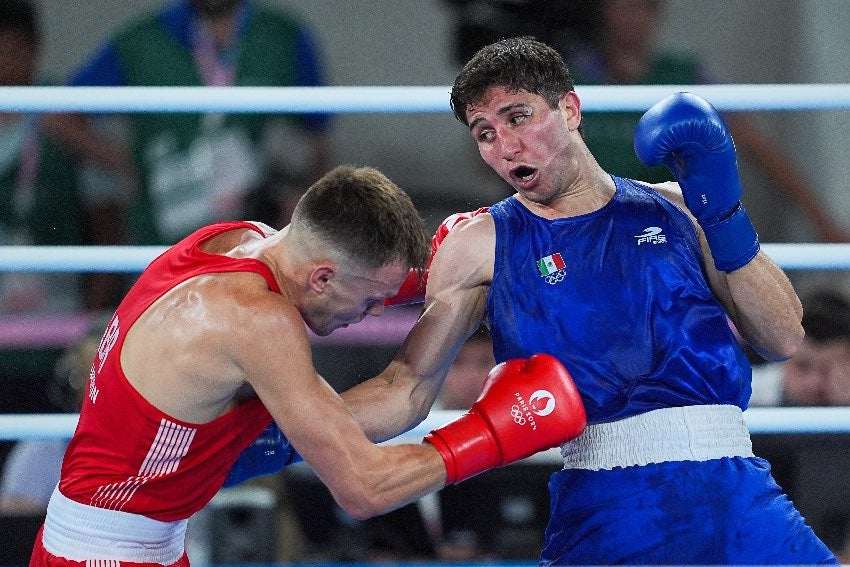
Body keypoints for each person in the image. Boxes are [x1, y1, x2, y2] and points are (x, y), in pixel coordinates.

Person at [339, 37, 838, 564]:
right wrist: (286, 420)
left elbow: (783, 335)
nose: (505, 146)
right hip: (606, 509)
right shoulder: (484, 244)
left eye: (517, 117)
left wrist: (723, 211)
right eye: (485, 133)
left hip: (741, 498)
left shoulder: (679, 207)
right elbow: (408, 387)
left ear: (570, 109)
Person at [29, 164, 587, 565]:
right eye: (370, 302)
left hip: (125, 535)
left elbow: (401, 393)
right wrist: (497, 431)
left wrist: (474, 280)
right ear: (322, 277)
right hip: (106, 554)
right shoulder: (254, 320)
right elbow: (362, 489)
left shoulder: (239, 243)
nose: (372, 315)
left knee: (299, 433)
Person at [560, 0, 847, 244]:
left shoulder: (686, 77)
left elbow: (757, 146)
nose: (631, 17)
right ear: (603, 11)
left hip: (668, 233)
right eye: (622, 6)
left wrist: (821, 222)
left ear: (654, 13)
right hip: (589, 234)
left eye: (639, 6)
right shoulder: (571, 82)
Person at [49, 0, 333, 246]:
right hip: (164, 239)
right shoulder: (141, 41)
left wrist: (301, 205)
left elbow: (318, 143)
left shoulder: (286, 36)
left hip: (260, 243)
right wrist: (129, 166)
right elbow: (60, 115)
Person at [751, 288, 850, 407]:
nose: (813, 383)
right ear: (781, 358)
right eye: (802, 366)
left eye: (827, 370)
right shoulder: (743, 395)